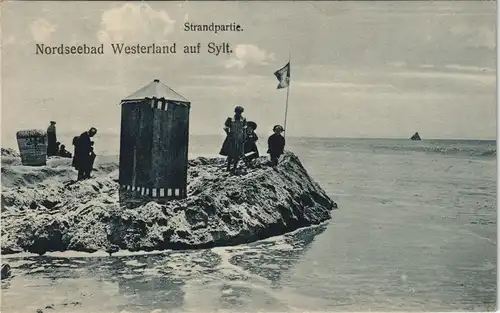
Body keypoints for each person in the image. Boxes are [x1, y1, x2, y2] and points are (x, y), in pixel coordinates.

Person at [219, 106, 247, 173]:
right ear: (235, 112)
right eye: (237, 112)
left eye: (240, 112)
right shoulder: (230, 119)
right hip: (232, 138)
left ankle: (234, 167)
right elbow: (225, 127)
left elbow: (244, 129)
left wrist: (244, 137)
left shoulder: (243, 119)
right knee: (230, 153)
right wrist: (228, 133)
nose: (239, 113)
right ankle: (228, 167)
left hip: (239, 138)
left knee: (238, 153)